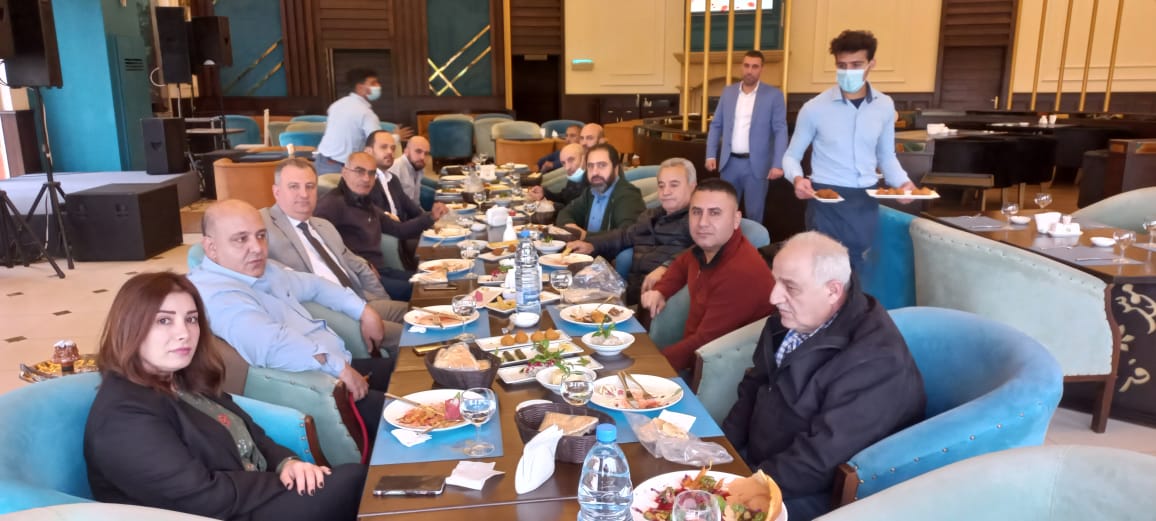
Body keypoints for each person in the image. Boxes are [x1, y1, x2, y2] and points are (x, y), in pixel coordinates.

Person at [86, 272, 365, 520]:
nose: (184, 333)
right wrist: (282, 482)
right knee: (355, 483)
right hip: (219, 512)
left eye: (191, 319)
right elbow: (201, 497)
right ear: (130, 327)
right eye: (164, 320)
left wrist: (286, 463)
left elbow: (252, 434)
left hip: (247, 497)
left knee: (357, 482)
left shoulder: (182, 378)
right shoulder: (124, 417)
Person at [721, 231, 924, 521]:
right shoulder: (792, 320)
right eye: (776, 281)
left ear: (832, 291)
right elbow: (754, 386)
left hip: (814, 493)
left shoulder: (876, 361)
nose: (774, 297)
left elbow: (818, 461)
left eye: (790, 287)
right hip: (759, 465)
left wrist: (741, 489)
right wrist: (722, 453)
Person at [188, 199, 392, 437]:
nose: (257, 248)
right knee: (417, 414)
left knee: (412, 372)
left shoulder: (263, 270)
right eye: (241, 239)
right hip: (320, 393)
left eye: (261, 235)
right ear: (211, 247)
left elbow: (315, 285)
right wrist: (339, 368)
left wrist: (363, 311)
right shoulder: (217, 294)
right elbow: (271, 345)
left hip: (339, 367)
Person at [781, 30, 915, 273]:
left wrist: (902, 182)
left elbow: (886, 156)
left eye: (856, 65)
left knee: (860, 269)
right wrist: (797, 179)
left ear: (871, 64)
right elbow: (791, 156)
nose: (848, 71)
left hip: (866, 199)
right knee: (824, 271)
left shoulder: (885, 105)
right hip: (826, 200)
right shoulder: (814, 108)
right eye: (842, 66)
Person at [260, 157, 407, 359]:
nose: (304, 194)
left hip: (360, 299)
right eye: (294, 187)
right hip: (332, 315)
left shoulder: (323, 225)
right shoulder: (262, 227)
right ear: (277, 192)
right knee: (414, 335)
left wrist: (380, 300)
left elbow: (357, 264)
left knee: (419, 315)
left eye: (310, 186)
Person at [641, 179, 775, 373]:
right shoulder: (707, 249)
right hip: (691, 358)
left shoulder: (742, 273)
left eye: (715, 213)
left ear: (736, 220)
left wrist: (651, 366)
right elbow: (682, 264)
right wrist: (661, 291)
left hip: (714, 374)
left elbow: (703, 344)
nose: (703, 223)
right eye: (696, 212)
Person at [565, 157, 697, 305]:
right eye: (661, 185)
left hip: (664, 298)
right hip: (632, 294)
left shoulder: (696, 220)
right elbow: (624, 235)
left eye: (674, 185)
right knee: (566, 295)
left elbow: (700, 251)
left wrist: (666, 267)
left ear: (692, 187)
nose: (666, 192)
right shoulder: (651, 215)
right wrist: (591, 244)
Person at [315, 152, 421, 301]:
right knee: (419, 290)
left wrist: (431, 217)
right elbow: (321, 246)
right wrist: (362, 263)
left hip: (381, 270)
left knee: (427, 281)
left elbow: (399, 229)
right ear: (344, 172)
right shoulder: (330, 205)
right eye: (359, 171)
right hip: (360, 279)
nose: (366, 178)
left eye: (371, 173)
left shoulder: (364, 202)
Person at [705, 50, 789, 224]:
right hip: (729, 164)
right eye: (746, 66)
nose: (750, 70)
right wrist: (711, 154)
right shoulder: (728, 92)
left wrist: (778, 163)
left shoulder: (774, 95)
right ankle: (727, 242)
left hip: (756, 166)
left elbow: (780, 130)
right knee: (724, 212)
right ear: (742, 67)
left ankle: (753, 242)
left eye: (755, 67)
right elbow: (716, 124)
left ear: (761, 69)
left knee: (754, 214)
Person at [554, 143, 646, 240]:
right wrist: (570, 226)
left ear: (616, 169)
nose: (595, 172)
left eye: (602, 165)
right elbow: (565, 212)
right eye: (590, 166)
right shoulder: (590, 192)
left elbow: (627, 234)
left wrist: (585, 236)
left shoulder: (628, 195)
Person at [315, 68, 383, 174]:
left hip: (321, 161)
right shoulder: (366, 113)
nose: (378, 86)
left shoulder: (336, 105)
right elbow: (379, 142)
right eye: (373, 83)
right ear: (360, 88)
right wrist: (397, 136)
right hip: (343, 168)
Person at [387, 135, 431, 206]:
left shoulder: (418, 166)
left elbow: (416, 202)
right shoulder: (395, 168)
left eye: (426, 154)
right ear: (406, 151)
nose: (423, 157)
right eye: (418, 151)